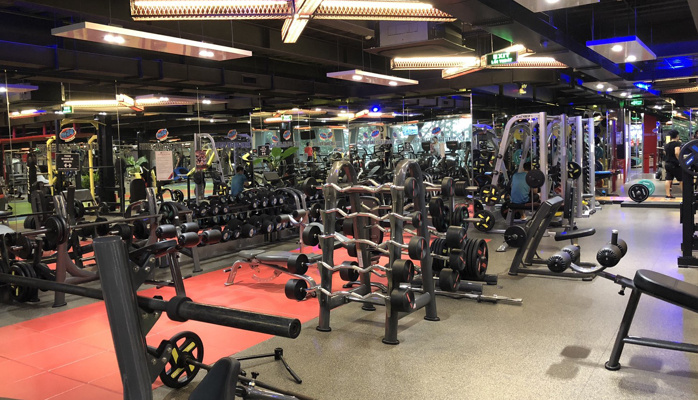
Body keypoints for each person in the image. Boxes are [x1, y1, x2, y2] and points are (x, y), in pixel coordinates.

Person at [664, 130, 683, 198]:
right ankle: (685, 194)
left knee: (668, 179)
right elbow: (677, 152)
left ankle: (668, 194)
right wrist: (680, 160)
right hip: (675, 164)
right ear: (677, 136)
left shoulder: (667, 145)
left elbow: (665, 153)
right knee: (681, 179)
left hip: (667, 163)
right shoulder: (677, 143)